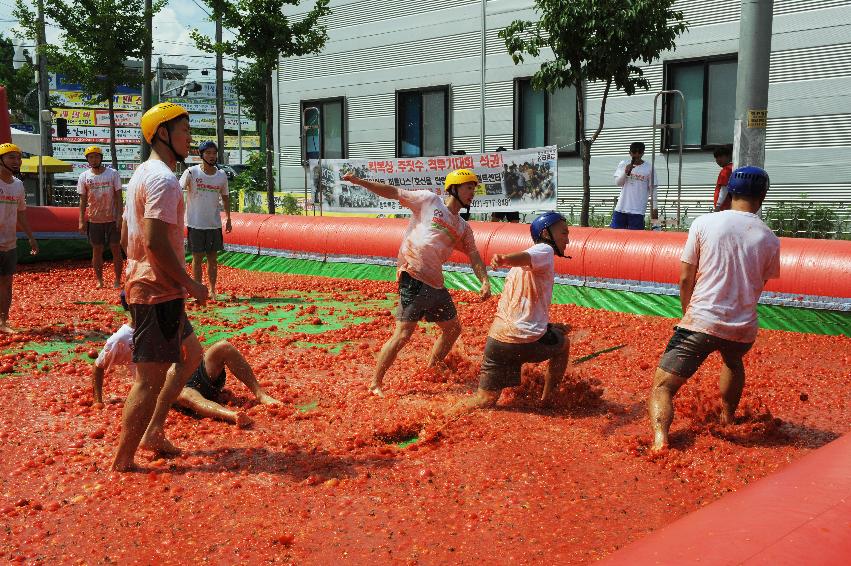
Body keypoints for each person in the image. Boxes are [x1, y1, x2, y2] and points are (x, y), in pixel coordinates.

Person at [648, 166, 780, 451]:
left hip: (701, 321)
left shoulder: (704, 223)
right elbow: (758, 285)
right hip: (743, 328)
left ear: (730, 191)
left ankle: (661, 440)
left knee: (663, 387)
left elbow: (686, 277)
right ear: (763, 196)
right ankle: (727, 418)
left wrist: (687, 314)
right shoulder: (770, 238)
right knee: (733, 361)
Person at [112, 102, 209, 472]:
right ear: (162, 134)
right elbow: (154, 240)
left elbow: (126, 235)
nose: (189, 137)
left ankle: (153, 430)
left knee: (192, 355)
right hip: (157, 292)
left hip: (151, 286)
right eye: (183, 130)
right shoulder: (164, 180)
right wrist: (190, 284)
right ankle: (123, 458)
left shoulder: (140, 174)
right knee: (149, 380)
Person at [341, 169, 491, 397]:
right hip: (412, 274)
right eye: (468, 187)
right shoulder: (429, 201)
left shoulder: (462, 227)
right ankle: (375, 384)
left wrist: (485, 280)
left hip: (435, 283)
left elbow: (474, 255)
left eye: (473, 188)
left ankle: (432, 367)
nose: (473, 193)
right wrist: (359, 182)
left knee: (452, 329)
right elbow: (392, 192)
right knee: (403, 334)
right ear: (454, 188)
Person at [92, 292, 280, 427]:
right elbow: (99, 366)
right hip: (171, 387)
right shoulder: (121, 339)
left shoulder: (165, 320)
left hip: (192, 371)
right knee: (187, 395)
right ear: (133, 306)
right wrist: (97, 400)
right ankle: (232, 415)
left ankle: (260, 394)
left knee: (224, 347)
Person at [451, 212, 571, 413]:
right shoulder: (545, 250)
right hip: (524, 341)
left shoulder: (523, 268)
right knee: (563, 345)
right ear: (546, 234)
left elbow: (525, 311)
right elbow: (524, 257)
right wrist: (505, 258)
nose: (567, 239)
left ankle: (437, 418)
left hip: (497, 341)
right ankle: (547, 400)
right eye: (564, 233)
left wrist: (549, 326)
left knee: (484, 400)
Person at [179, 141, 232, 299]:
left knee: (213, 259)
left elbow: (226, 197)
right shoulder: (191, 173)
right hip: (195, 223)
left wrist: (228, 218)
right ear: (201, 155)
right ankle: (197, 289)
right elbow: (177, 190)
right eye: (208, 153)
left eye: (214, 153)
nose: (212, 156)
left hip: (213, 223)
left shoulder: (221, 175)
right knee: (197, 258)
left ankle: (212, 289)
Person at [0, 143, 38, 334]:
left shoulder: (18, 185)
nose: (16, 161)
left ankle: (3, 322)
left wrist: (31, 237)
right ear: (1, 160)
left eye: (18, 157)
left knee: (7, 283)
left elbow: (21, 214)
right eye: (11, 157)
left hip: (9, 242)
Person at [77, 145, 124, 288]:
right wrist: (81, 220)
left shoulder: (112, 174)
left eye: (96, 156)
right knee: (97, 250)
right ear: (87, 160)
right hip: (94, 219)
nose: (94, 159)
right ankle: (99, 280)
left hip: (112, 218)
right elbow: (83, 200)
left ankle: (117, 279)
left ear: (101, 158)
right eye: (91, 157)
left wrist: (120, 216)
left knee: (116, 248)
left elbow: (118, 197)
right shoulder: (84, 176)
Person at [611, 142, 660, 230]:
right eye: (634, 152)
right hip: (621, 209)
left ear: (643, 153)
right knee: (616, 239)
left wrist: (655, 222)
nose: (637, 154)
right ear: (630, 153)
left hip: (638, 211)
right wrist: (625, 172)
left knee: (634, 241)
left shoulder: (649, 168)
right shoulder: (623, 164)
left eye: (640, 152)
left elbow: (654, 193)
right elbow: (618, 183)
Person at [713, 145, 734, 211]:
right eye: (716, 157)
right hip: (730, 206)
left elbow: (724, 189)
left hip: (723, 207)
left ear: (729, 156)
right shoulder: (733, 168)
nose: (718, 160)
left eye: (721, 156)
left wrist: (718, 205)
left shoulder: (726, 170)